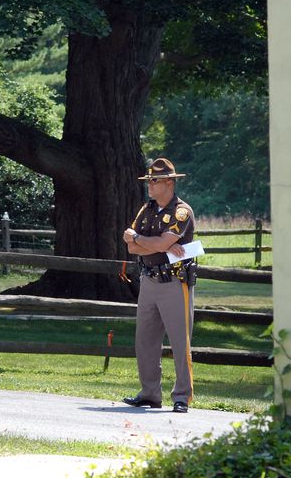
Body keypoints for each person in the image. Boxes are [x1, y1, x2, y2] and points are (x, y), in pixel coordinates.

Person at [120, 157, 197, 414]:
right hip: (149, 280)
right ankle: (150, 393)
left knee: (179, 341)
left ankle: (182, 396)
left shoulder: (181, 212)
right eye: (148, 181)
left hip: (175, 282)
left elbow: (159, 244)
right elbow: (129, 244)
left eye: (154, 181)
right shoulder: (147, 209)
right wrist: (149, 243)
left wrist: (142, 240)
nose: (149, 185)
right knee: (145, 340)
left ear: (169, 183)